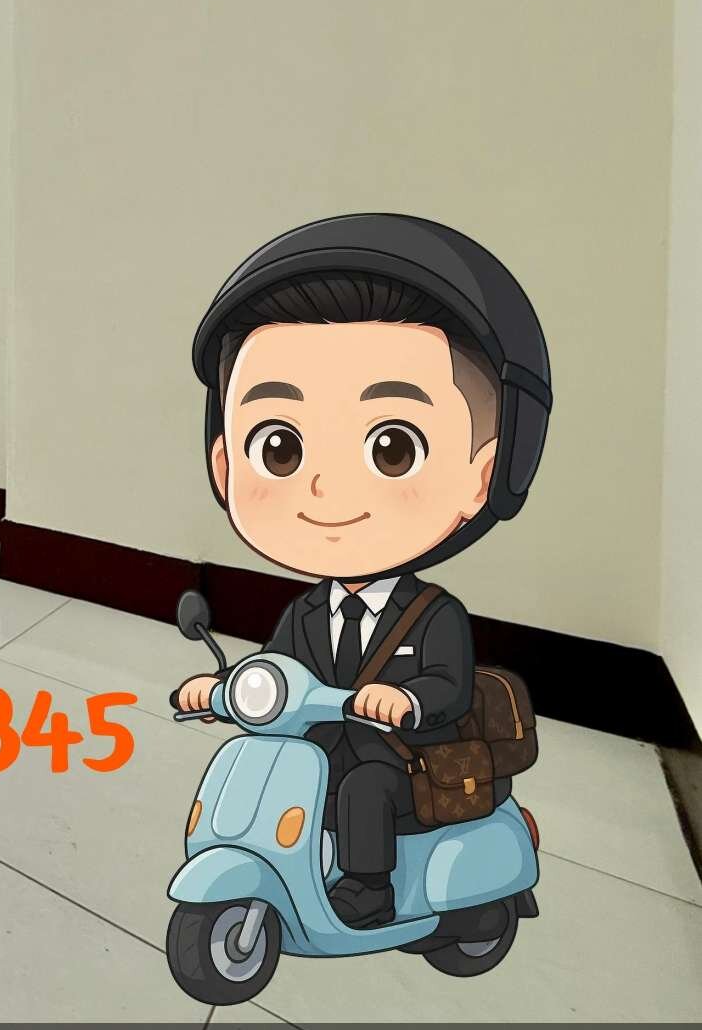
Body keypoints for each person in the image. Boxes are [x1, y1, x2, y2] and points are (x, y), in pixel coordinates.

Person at [176, 214, 551, 930]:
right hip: (321, 747)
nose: (325, 489)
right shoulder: (307, 612)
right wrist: (224, 688)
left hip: (404, 757)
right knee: (293, 776)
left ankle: (368, 889)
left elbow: (446, 687)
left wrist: (403, 701)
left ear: (487, 473)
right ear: (223, 462)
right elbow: (279, 670)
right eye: (280, 448)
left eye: (392, 449)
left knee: (362, 788)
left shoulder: (434, 614)